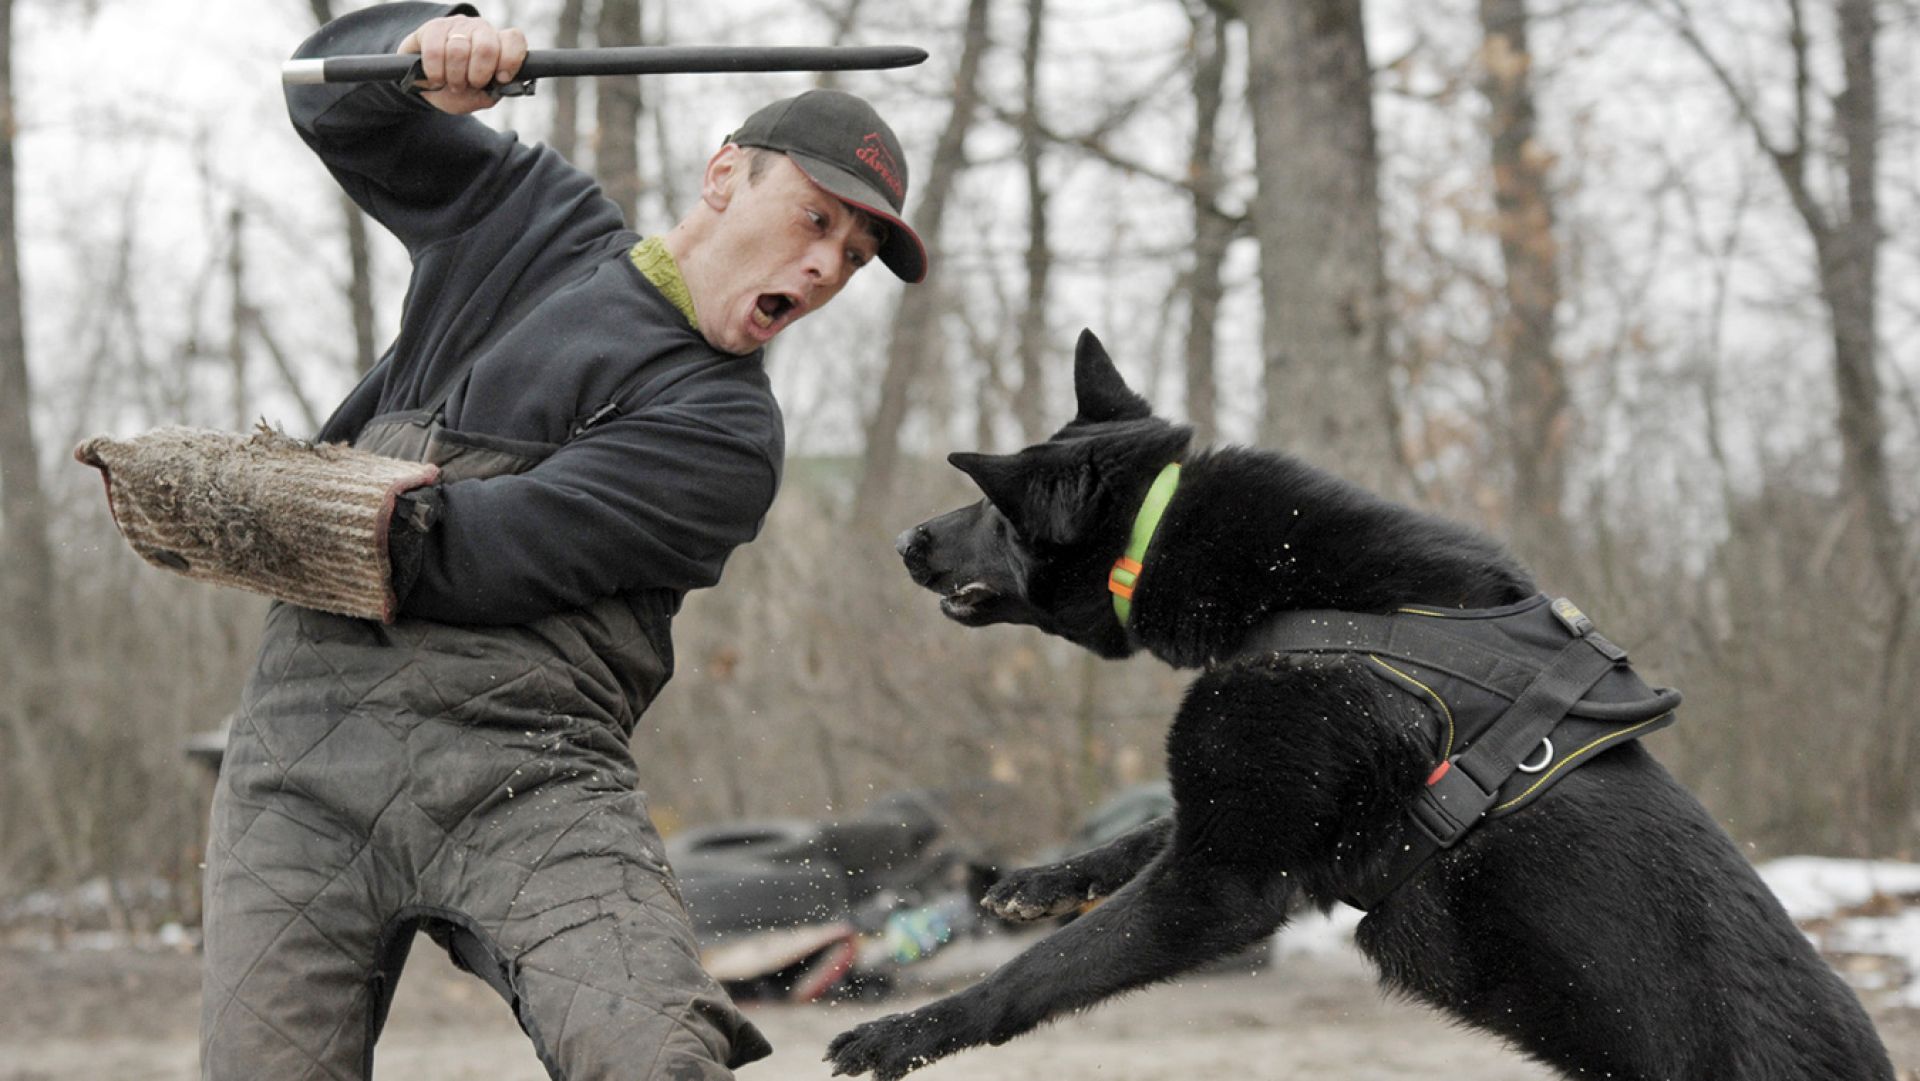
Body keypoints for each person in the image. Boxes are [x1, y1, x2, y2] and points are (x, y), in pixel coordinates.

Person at [197, 3, 925, 1078]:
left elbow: (483, 550)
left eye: (855, 257)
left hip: (523, 777)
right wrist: (422, 57)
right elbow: (326, 95)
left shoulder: (730, 434)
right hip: (300, 766)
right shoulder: (528, 221)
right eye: (818, 221)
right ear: (726, 177)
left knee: (655, 1055)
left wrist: (308, 512)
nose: (827, 268)